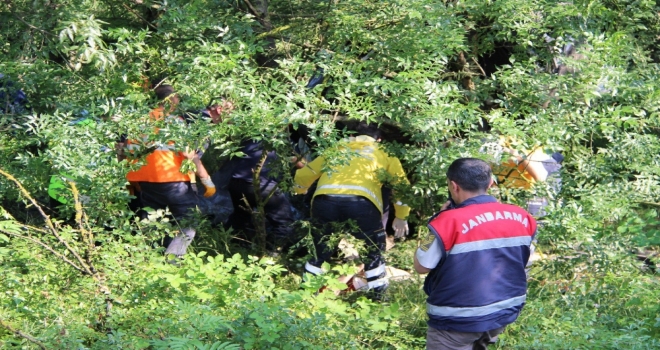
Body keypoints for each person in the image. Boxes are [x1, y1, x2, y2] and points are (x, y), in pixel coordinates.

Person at [414, 158, 537, 350]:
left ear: (454, 186)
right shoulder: (522, 216)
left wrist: (437, 222)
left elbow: (421, 265)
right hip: (503, 311)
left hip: (456, 320)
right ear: (490, 183)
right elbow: (524, 261)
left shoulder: (446, 221)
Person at [294, 121, 410, 297]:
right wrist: (401, 216)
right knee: (373, 250)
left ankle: (305, 295)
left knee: (320, 249)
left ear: (350, 136)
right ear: (378, 139)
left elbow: (305, 174)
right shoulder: (384, 153)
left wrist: (299, 190)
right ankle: (378, 296)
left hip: (325, 201)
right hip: (362, 203)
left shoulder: (337, 149)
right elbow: (402, 187)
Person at [124, 84, 215, 257]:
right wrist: (206, 180)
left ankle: (151, 259)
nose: (178, 102)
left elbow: (129, 153)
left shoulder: (139, 122)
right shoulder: (174, 121)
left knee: (154, 221)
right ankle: (173, 258)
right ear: (170, 100)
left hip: (147, 182)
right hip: (174, 181)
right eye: (177, 99)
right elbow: (189, 155)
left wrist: (132, 181)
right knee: (190, 221)